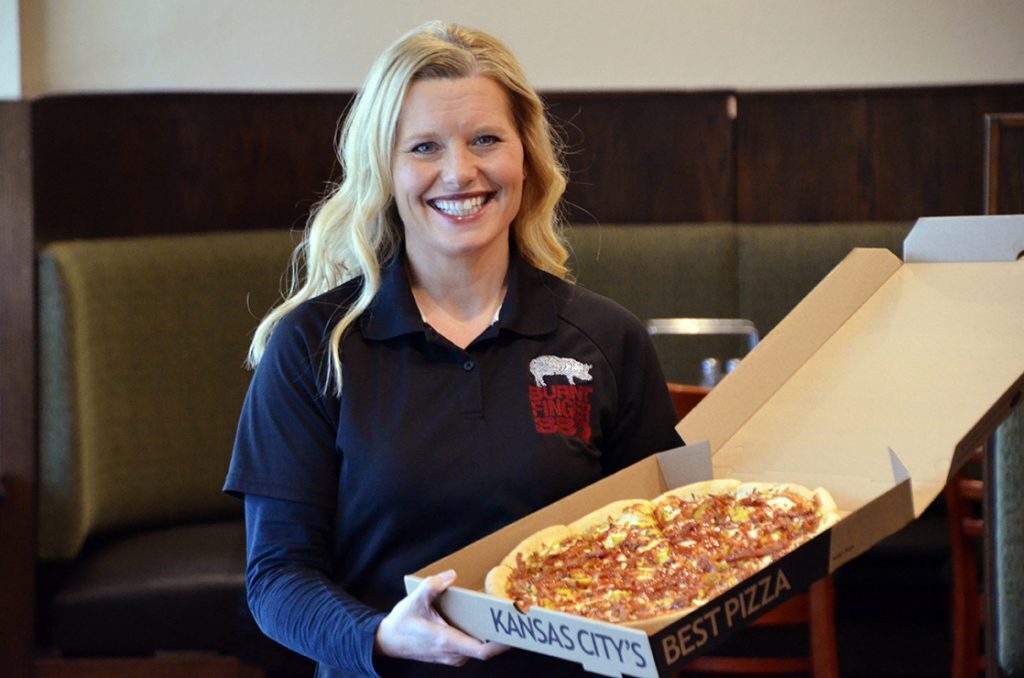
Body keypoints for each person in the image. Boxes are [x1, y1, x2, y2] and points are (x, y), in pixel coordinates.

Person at [224, 20, 684, 677]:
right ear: (384, 169)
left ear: (525, 155)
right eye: (424, 147)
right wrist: (381, 635)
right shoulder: (311, 347)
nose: (460, 172)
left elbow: (662, 544)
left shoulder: (608, 339)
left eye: (486, 140)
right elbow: (276, 577)